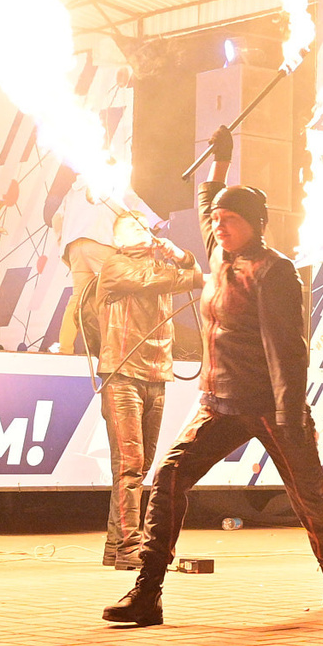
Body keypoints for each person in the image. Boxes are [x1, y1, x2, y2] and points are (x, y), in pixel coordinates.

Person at [107, 131, 323, 625]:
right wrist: (221, 158)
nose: (218, 226)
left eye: (229, 221)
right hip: (219, 403)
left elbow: (288, 351)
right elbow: (208, 199)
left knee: (309, 497)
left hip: (269, 405)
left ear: (255, 226)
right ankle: (146, 594)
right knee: (168, 479)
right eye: (216, 221)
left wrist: (290, 415)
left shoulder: (274, 272)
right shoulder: (220, 251)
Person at [70, 214, 201, 568]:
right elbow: (169, 280)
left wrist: (180, 255)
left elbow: (194, 276)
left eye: (143, 226)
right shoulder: (116, 267)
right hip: (123, 375)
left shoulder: (158, 265)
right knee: (128, 466)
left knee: (140, 467)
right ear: (119, 240)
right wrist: (182, 265)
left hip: (156, 375)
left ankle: (116, 546)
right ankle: (130, 547)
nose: (142, 230)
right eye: (132, 228)